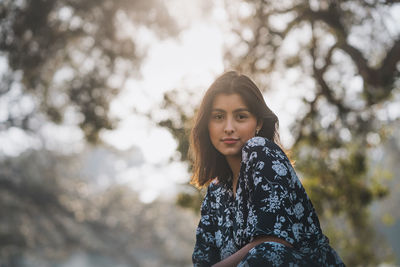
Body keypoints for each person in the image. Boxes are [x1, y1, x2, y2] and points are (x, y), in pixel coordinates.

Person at [190, 71, 345, 266]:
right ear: (207, 124)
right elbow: (202, 261)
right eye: (219, 117)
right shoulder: (216, 192)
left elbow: (271, 246)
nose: (229, 127)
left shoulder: (260, 151)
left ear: (259, 122)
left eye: (241, 116)